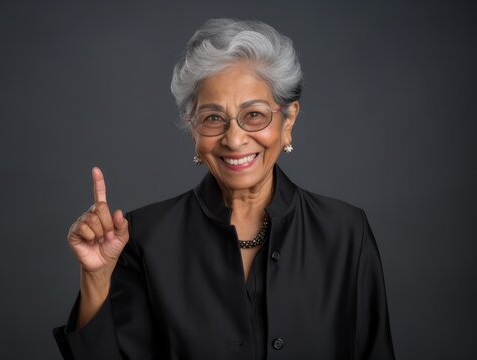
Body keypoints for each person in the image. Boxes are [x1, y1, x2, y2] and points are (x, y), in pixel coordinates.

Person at [53, 18, 395, 359]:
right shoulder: (144, 238)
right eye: (213, 118)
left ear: (287, 121)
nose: (234, 139)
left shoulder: (346, 232)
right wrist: (96, 277)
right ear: (193, 129)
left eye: (255, 115)